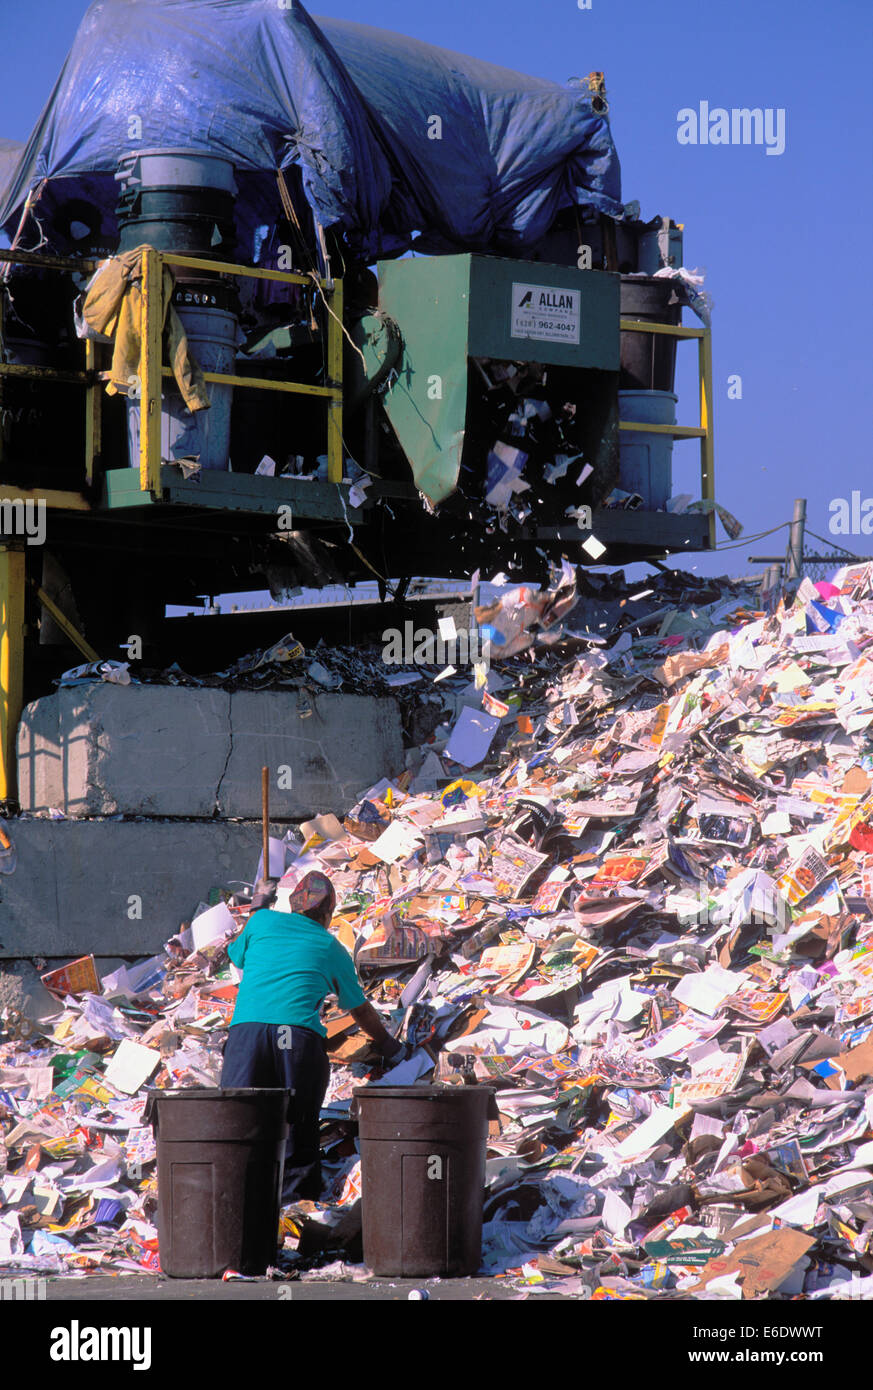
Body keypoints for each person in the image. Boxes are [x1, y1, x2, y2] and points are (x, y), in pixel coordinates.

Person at [220, 870, 403, 1201]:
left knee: (238, 1120)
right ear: (328, 913)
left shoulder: (261, 923)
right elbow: (359, 1010)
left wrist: (257, 908)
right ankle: (295, 1209)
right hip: (296, 1041)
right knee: (297, 1127)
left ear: (293, 905)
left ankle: (234, 1202)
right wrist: (391, 1046)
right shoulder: (330, 947)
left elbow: (236, 956)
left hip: (246, 1036)